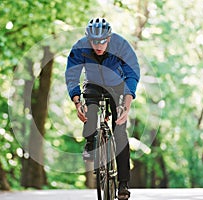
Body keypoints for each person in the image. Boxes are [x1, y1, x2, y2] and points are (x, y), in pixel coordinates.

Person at [65, 17, 140, 200]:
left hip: (117, 86)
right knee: (90, 110)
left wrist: (127, 104)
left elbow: (132, 72)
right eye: (94, 41)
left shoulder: (120, 45)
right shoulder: (80, 47)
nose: (98, 45)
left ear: (109, 38)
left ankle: (123, 184)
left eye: (102, 41)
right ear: (88, 39)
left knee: (120, 132)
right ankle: (91, 143)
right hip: (93, 84)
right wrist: (76, 101)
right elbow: (72, 74)